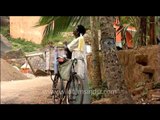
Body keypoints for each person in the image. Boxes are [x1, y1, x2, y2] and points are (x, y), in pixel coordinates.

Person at [66, 25, 91, 104]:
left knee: (78, 82)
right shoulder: (80, 39)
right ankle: (83, 101)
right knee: (82, 82)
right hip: (80, 63)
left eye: (75, 29)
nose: (73, 31)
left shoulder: (79, 39)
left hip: (78, 63)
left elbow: (68, 47)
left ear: (77, 32)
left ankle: (78, 101)